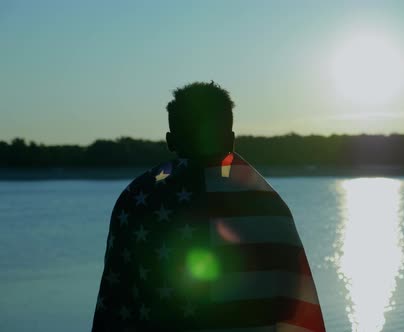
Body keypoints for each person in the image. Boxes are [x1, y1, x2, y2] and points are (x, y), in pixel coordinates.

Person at [91, 81, 325, 331]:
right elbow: (291, 302)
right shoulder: (268, 205)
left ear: (170, 140)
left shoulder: (139, 198)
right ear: (231, 140)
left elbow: (116, 301)